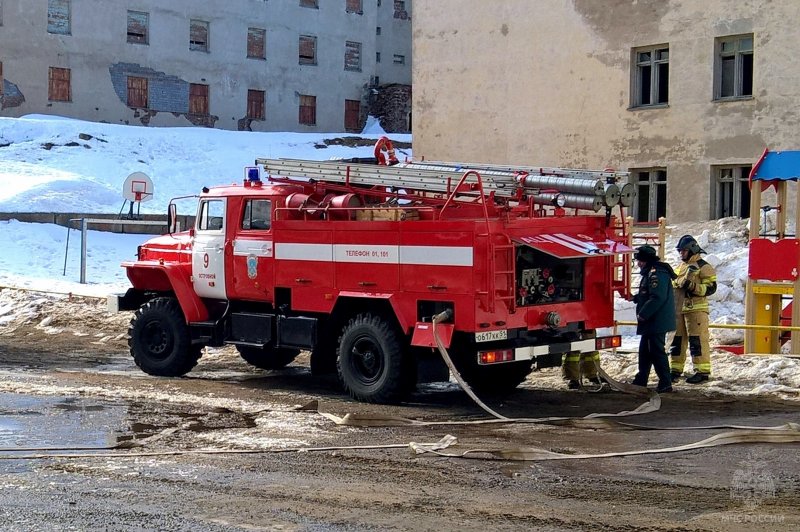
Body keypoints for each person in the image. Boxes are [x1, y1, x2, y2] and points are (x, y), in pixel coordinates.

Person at [670, 234, 717, 384]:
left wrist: (693, 287)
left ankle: (702, 372)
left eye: (683, 251)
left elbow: (711, 288)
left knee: (697, 341)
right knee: (677, 341)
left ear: (692, 250)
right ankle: (675, 369)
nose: (681, 254)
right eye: (680, 251)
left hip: (696, 310)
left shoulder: (704, 266)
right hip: (680, 309)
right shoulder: (681, 267)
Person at [631, 245, 677, 393]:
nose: (638, 264)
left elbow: (658, 297)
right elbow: (648, 294)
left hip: (656, 320)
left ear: (647, 260)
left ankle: (665, 382)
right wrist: (635, 298)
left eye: (640, 261)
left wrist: (643, 313)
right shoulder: (651, 272)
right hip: (653, 321)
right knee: (645, 350)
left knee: (657, 351)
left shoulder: (656, 273)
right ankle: (641, 378)